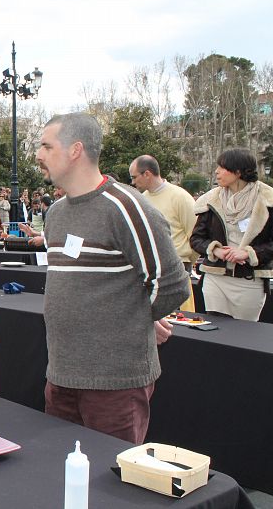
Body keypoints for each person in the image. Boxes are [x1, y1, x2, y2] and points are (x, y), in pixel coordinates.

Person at [36, 112, 189, 444]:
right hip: (61, 376)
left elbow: (173, 284)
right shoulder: (56, 213)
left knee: (112, 483)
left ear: (76, 150)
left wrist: (135, 321)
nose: (38, 155)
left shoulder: (127, 208)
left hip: (115, 383)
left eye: (47, 146)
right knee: (59, 473)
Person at [190, 148, 273, 322]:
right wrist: (215, 250)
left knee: (245, 336)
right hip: (215, 277)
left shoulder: (267, 199)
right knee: (216, 331)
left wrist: (249, 253)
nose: (216, 171)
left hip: (249, 280)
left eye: (222, 167)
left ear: (238, 171)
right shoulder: (210, 200)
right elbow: (196, 239)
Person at [131, 155, 197, 311]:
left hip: (176, 269)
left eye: (134, 177)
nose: (133, 182)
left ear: (147, 174)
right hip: (149, 270)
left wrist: (185, 262)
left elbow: (195, 237)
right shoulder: (141, 199)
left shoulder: (181, 197)